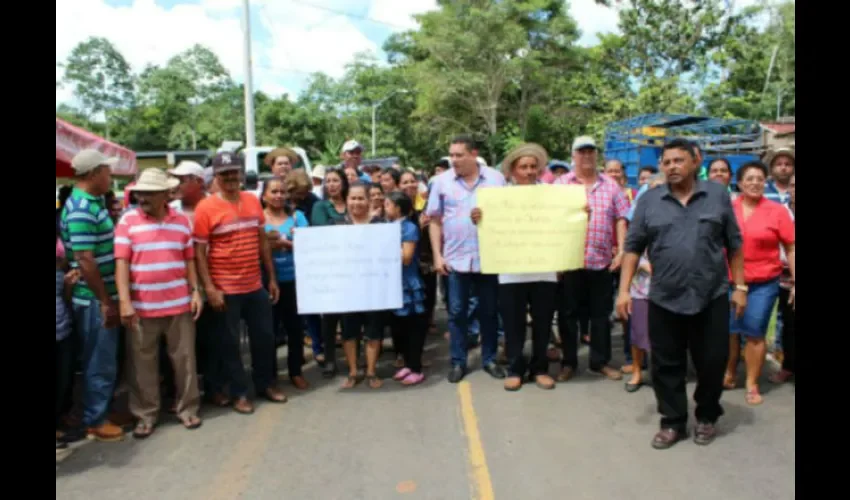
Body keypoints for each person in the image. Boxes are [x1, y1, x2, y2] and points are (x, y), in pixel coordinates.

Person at [617, 138, 746, 450]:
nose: (672, 166)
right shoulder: (649, 200)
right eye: (667, 162)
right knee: (665, 363)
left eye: (679, 160)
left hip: (711, 295)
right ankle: (673, 421)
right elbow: (633, 248)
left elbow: (734, 243)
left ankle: (706, 416)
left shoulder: (717, 195)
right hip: (664, 296)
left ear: (694, 162)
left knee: (713, 361)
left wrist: (740, 287)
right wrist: (623, 291)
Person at [193, 152, 286, 414]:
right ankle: (239, 393)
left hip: (254, 284)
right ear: (217, 177)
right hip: (225, 288)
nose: (231, 178)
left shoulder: (252, 201)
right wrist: (210, 288)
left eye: (235, 172)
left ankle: (266, 384)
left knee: (264, 339)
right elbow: (199, 252)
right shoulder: (205, 208)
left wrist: (271, 278)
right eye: (225, 174)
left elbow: (261, 242)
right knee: (230, 345)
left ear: (242, 173)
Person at [114, 168, 204, 438]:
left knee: (185, 362)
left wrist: (196, 291)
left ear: (166, 195)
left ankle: (188, 409)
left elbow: (189, 260)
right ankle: (145, 415)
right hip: (142, 307)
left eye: (151, 193)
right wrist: (125, 302)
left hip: (179, 304)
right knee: (142, 365)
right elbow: (122, 264)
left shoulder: (180, 221)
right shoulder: (127, 221)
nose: (143, 197)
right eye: (141, 192)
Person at [476, 143, 557, 391]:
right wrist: (479, 217)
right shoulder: (498, 197)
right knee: (513, 324)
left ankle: (540, 368)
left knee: (543, 323)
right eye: (524, 167)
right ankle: (515, 369)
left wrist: (577, 212)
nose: (529, 171)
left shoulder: (552, 195)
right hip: (511, 273)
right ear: (513, 170)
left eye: (534, 166)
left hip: (545, 270)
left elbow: (563, 223)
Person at [426, 135, 507, 383]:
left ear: (473, 154)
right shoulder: (440, 182)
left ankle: (489, 359)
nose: (454, 160)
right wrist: (437, 256)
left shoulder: (496, 178)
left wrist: (490, 215)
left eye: (459, 155)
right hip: (455, 260)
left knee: (489, 312)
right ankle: (458, 362)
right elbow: (435, 220)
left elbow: (507, 214)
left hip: (488, 258)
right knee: (457, 313)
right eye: (451, 155)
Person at [59, 149, 124, 442]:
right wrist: (106, 301)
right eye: (107, 171)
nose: (110, 176)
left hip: (98, 293)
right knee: (99, 359)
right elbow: (86, 259)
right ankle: (95, 419)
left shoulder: (91, 202)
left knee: (104, 357)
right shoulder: (82, 208)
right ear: (94, 173)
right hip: (94, 297)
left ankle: (102, 410)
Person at [553, 136, 630, 383]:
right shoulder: (561, 184)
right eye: (581, 152)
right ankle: (569, 363)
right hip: (568, 261)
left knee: (600, 315)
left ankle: (600, 362)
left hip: (600, 262)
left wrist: (620, 251)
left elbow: (620, 218)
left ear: (596, 155)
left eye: (590, 151)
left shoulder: (611, 186)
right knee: (567, 315)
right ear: (573, 155)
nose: (586, 156)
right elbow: (549, 219)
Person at [722, 161, 795, 405]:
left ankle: (752, 382)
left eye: (760, 179)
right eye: (749, 178)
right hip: (730, 281)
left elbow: (791, 247)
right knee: (730, 331)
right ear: (740, 183)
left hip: (764, 282)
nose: (755, 183)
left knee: (754, 331)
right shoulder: (728, 209)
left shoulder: (777, 211)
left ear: (766, 183)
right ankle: (730, 369)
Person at [335, 182, 386, 389]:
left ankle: (372, 371)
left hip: (374, 287)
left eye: (361, 198)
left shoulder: (381, 226)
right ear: (346, 201)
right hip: (348, 289)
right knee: (349, 331)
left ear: (369, 200)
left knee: (374, 331)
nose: (357, 202)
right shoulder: (336, 226)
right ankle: (354, 372)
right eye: (353, 198)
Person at [261, 177, 310, 390]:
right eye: (274, 191)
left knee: (295, 329)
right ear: (264, 195)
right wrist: (269, 245)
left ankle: (296, 371)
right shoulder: (258, 220)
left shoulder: (297, 217)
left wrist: (284, 244)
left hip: (295, 281)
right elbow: (255, 247)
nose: (279, 195)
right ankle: (270, 375)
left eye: (282, 192)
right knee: (268, 331)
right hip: (266, 282)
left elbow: (310, 245)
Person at [385, 191, 428, 386]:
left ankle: (416, 367)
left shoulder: (409, 228)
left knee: (412, 328)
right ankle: (407, 364)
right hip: (393, 283)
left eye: (388, 205)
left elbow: (407, 257)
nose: (384, 208)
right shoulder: (388, 227)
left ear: (398, 208)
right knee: (399, 328)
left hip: (408, 285)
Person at [771, 173, 795, 384]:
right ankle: (788, 366)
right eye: (794, 185)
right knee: (789, 323)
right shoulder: (781, 213)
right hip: (785, 278)